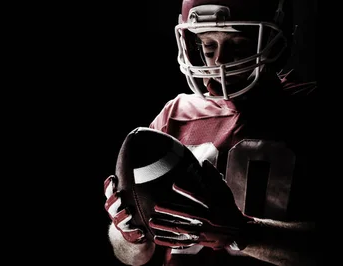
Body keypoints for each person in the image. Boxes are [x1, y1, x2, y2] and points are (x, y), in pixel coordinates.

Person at [104, 0, 318, 265]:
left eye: (238, 45)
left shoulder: (311, 109)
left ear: (274, 40)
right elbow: (132, 258)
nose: (220, 61)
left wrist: (245, 233)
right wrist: (128, 234)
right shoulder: (175, 113)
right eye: (208, 46)